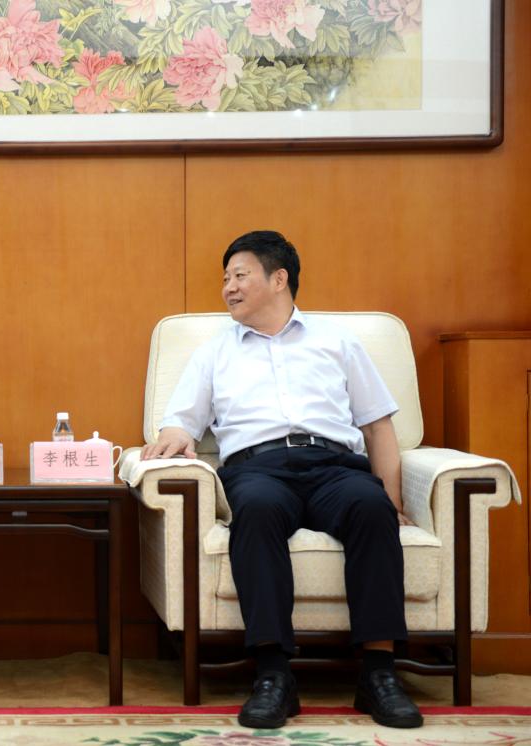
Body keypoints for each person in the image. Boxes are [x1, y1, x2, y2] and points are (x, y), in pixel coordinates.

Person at [141, 231, 422, 729]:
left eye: (239, 275)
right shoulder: (214, 352)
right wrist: (171, 439)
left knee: (371, 507)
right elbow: (180, 423)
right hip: (258, 469)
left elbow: (378, 426)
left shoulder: (336, 341)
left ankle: (379, 674)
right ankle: (273, 675)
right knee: (256, 511)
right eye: (225, 278)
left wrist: (395, 502)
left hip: (334, 465)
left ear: (278, 279)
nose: (228, 287)